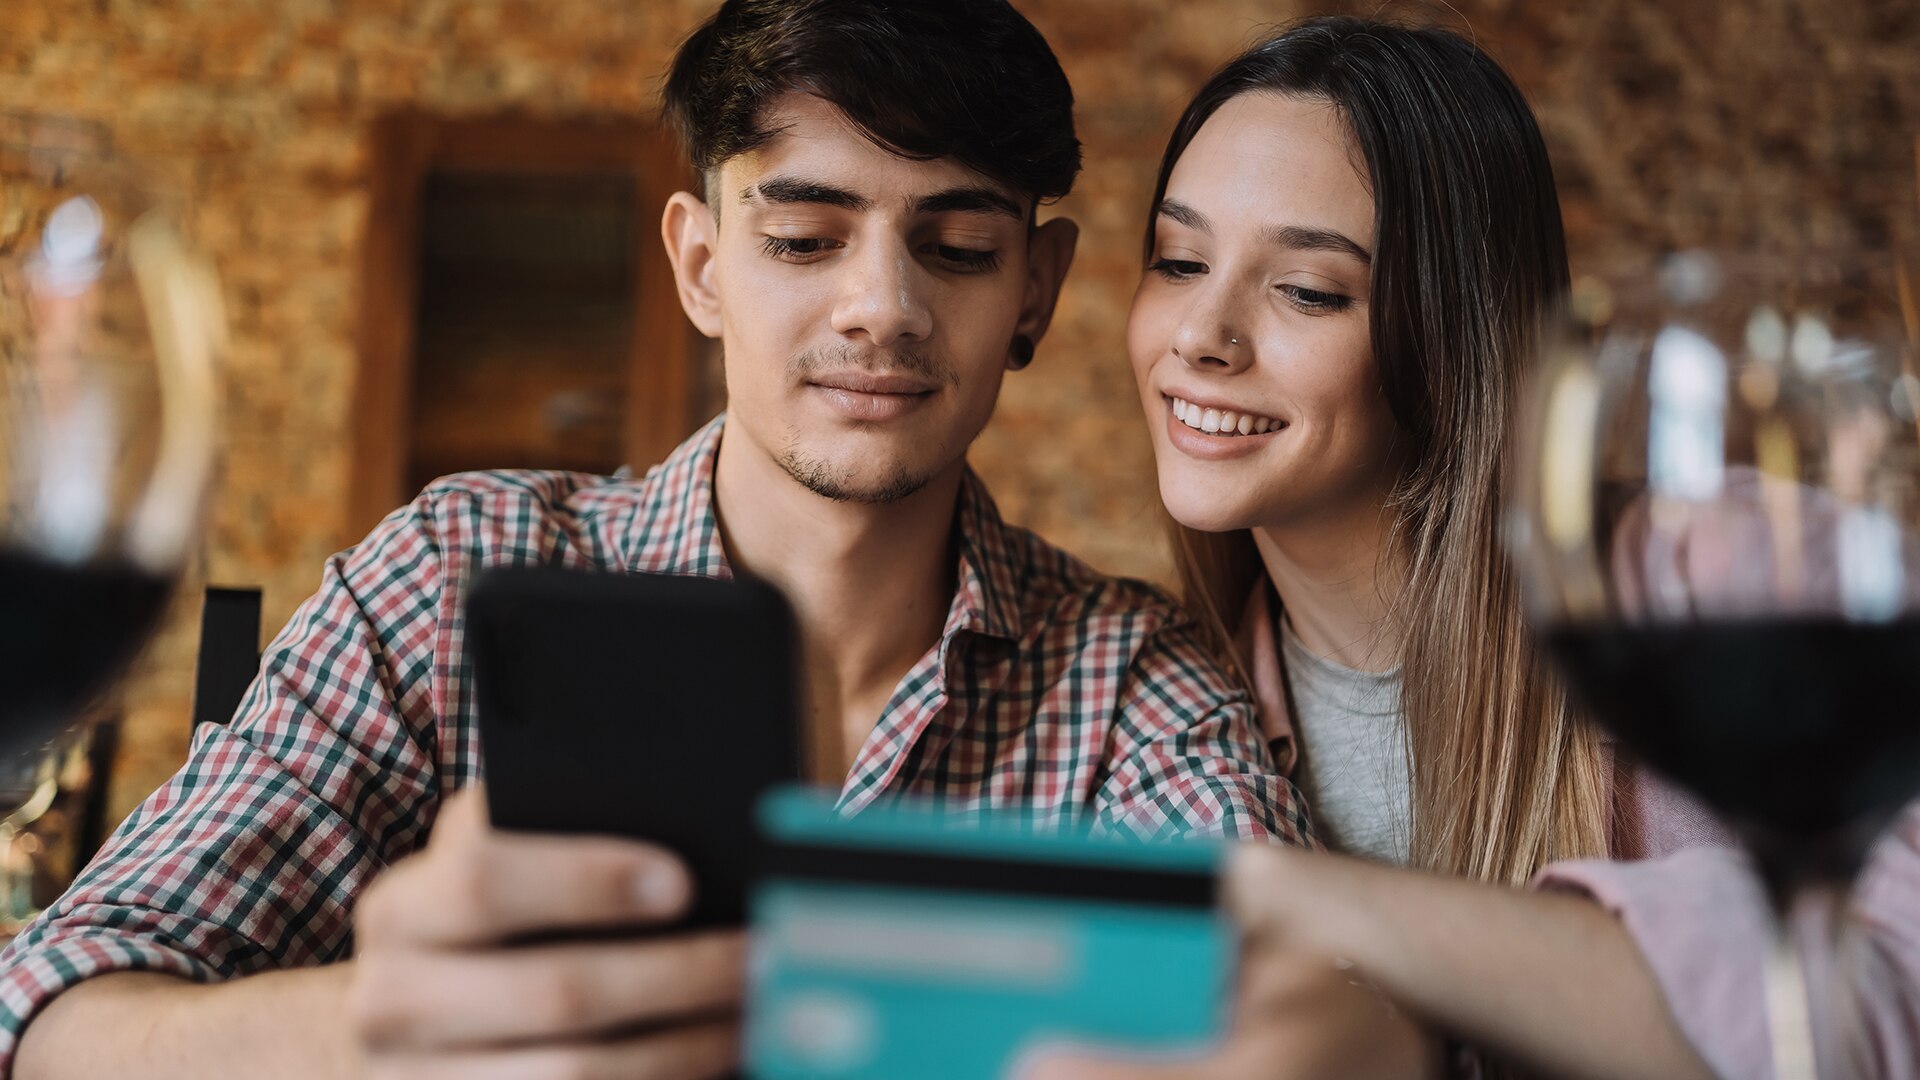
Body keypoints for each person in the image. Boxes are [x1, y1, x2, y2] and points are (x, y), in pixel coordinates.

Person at [1, 3, 1312, 1077]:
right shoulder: (450, 577)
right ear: (697, 267)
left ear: (1038, 287)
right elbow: (52, 1012)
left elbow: (1323, 1000)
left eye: (959, 248)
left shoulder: (1130, 678)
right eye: (804, 238)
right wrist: (378, 1031)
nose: (882, 308)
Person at [1033, 15, 1920, 1079]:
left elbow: (1882, 990)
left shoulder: (1738, 574)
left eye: (1308, 289)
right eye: (1179, 262)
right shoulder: (1170, 703)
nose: (1201, 336)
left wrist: (1295, 897)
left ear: (1459, 332)